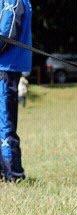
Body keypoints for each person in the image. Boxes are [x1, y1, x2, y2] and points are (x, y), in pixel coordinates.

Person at [0, 0, 32, 182]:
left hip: (6, 67)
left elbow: (6, 31)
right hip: (6, 65)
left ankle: (13, 173)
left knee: (5, 124)